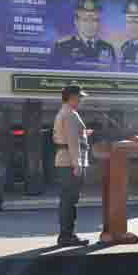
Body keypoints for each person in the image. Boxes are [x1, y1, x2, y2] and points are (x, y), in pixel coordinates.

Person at [53, 85, 93, 246]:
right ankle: (67, 236)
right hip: (70, 162)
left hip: (66, 160)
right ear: (71, 97)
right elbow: (72, 141)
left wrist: (84, 133)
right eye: (79, 97)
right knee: (70, 201)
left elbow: (71, 136)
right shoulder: (70, 114)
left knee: (68, 200)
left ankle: (66, 235)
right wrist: (77, 164)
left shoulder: (64, 112)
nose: (81, 100)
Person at [53, 0, 117, 68]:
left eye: (95, 20)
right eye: (85, 20)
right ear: (76, 22)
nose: (90, 24)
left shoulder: (108, 48)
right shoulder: (62, 47)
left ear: (99, 23)